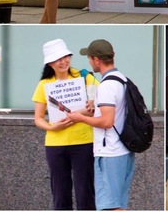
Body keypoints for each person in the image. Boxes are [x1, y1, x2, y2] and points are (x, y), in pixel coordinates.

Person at [67, 39, 135, 210]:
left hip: (110, 152)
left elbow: (107, 121)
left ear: (96, 60)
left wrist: (80, 118)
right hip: (123, 150)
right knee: (117, 205)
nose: (89, 62)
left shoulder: (106, 86)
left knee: (110, 207)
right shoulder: (122, 80)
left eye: (89, 58)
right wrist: (94, 108)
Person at [31, 39, 96, 210]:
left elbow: (96, 106)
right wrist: (52, 127)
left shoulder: (85, 77)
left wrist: (81, 111)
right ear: (50, 63)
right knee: (60, 194)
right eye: (58, 59)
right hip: (55, 145)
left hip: (84, 142)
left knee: (86, 193)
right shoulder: (44, 84)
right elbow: (38, 118)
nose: (63, 61)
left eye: (65, 56)